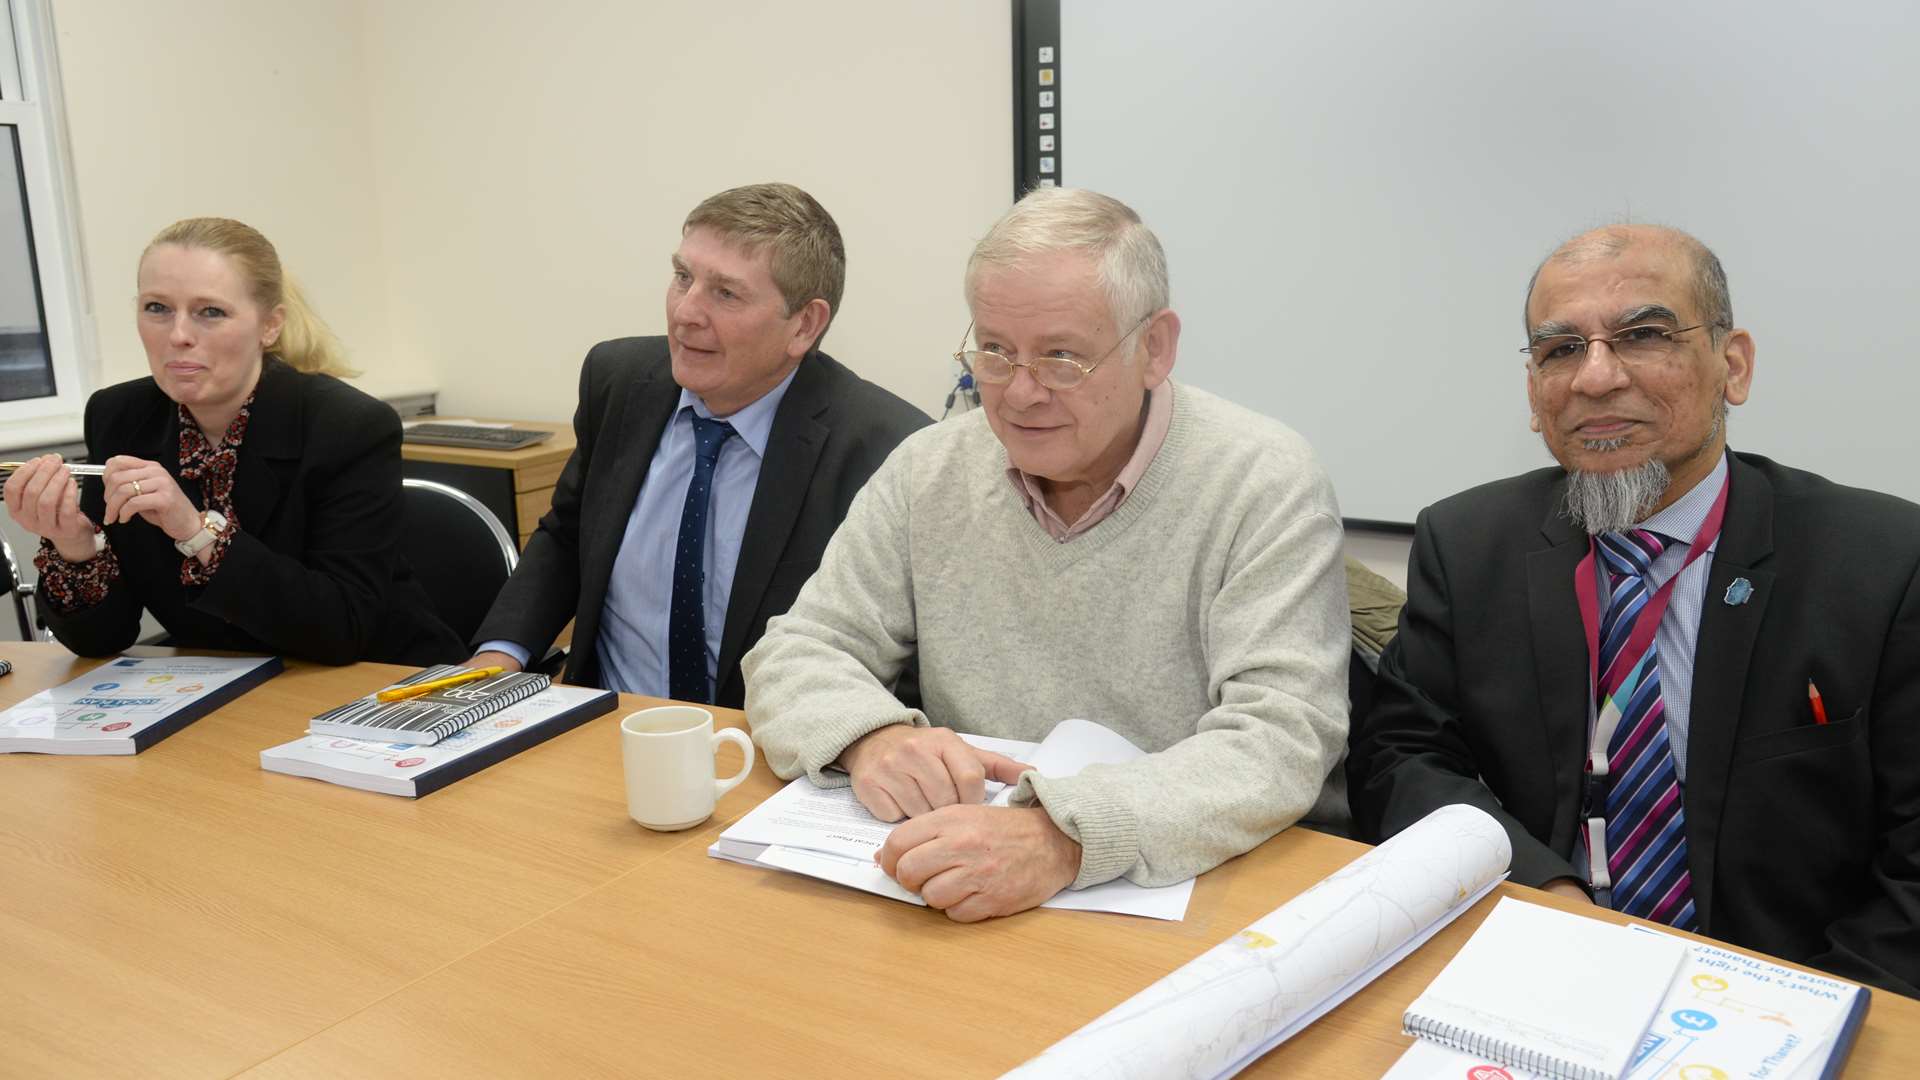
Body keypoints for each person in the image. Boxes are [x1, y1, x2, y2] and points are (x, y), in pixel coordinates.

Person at [743, 187, 1350, 922]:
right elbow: (800, 649)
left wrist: (1061, 838)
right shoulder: (928, 470)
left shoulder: (1263, 480)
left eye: (1062, 358)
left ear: (1154, 347)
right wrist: (868, 739)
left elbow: (1282, 738)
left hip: (1183, 896)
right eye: (994, 352)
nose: (1019, 394)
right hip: (957, 874)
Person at [1349, 224, 1920, 994]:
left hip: (1790, 992)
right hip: (1537, 965)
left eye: (1643, 335)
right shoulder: (1466, 543)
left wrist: (1812, 1018)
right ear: (1532, 394)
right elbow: (1401, 759)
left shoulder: (1881, 563)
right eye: (1559, 350)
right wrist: (1537, 887)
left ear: (1733, 365)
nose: (1595, 377)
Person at [468, 183, 928, 704]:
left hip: (767, 749)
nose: (686, 312)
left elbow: (910, 651)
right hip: (606, 723)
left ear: (804, 325)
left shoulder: (885, 448)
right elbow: (571, 535)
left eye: (725, 293)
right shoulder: (618, 382)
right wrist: (500, 655)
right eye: (683, 277)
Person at [2, 217, 464, 665]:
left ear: (270, 326)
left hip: (377, 684)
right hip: (224, 690)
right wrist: (76, 545)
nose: (179, 336)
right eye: (157, 308)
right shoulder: (119, 416)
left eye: (211, 312)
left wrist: (196, 530)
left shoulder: (349, 425)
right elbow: (105, 638)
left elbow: (342, 628)